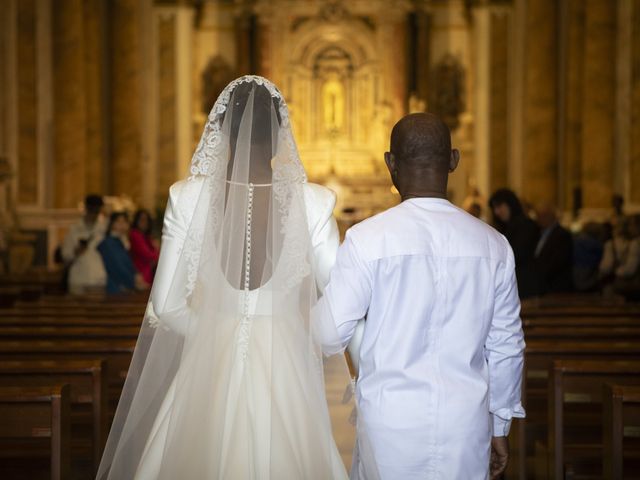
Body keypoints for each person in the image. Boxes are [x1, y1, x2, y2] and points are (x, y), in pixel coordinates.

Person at [97, 76, 349, 479]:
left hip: (209, 359)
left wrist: (215, 331)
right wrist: (291, 331)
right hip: (283, 360)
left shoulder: (186, 196)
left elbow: (165, 305)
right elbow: (340, 301)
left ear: (222, 128)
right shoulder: (314, 201)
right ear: (282, 129)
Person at [313, 113, 525, 479]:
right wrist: (500, 426)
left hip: (389, 422)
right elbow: (507, 345)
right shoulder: (494, 245)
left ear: (390, 163)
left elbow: (328, 335)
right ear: (454, 160)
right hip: (465, 422)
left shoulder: (367, 239)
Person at [489, 188, 539, 298]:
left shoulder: (526, 225)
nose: (496, 212)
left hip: (524, 285)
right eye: (494, 208)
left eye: (499, 206)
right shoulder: (505, 227)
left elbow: (518, 254)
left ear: (510, 204)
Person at [61, 194, 107, 294]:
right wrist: (75, 252)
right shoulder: (74, 229)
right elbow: (66, 256)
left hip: (98, 277)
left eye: (97, 211)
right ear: (86, 209)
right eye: (92, 210)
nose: (94, 214)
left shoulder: (104, 229)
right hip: (78, 278)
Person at [97, 212, 147, 294]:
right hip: (116, 288)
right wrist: (134, 281)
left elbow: (127, 263)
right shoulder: (108, 243)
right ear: (111, 224)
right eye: (118, 222)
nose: (122, 225)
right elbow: (116, 266)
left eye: (124, 222)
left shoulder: (120, 241)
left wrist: (136, 274)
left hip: (123, 287)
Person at [531, 203, 573, 295]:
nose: (540, 219)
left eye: (543, 215)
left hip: (555, 286)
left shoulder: (562, 235)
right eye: (538, 216)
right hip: (540, 285)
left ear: (552, 216)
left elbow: (558, 261)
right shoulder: (537, 233)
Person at [129, 209, 160, 284]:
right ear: (136, 220)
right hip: (141, 274)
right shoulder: (135, 234)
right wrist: (157, 251)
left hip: (148, 272)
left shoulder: (146, 236)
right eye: (142, 219)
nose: (144, 222)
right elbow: (147, 255)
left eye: (147, 220)